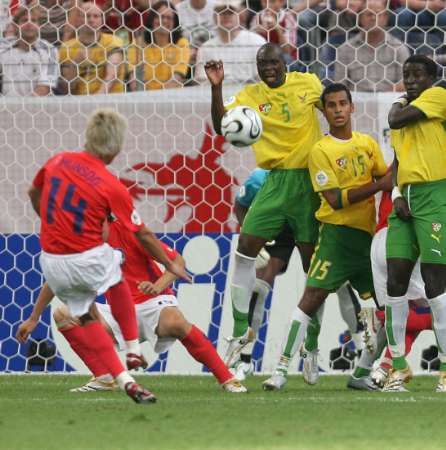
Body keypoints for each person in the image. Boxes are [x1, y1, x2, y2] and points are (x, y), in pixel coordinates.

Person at [21, 108, 190, 403]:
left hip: (51, 261)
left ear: (87, 137)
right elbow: (143, 235)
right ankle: (134, 349)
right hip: (85, 257)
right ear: (115, 150)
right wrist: (169, 265)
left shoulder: (57, 161)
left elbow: (33, 193)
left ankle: (122, 379)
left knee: (87, 316)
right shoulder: (111, 184)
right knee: (116, 272)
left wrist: (47, 220)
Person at [263, 83, 390, 391]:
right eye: (331, 105)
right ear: (325, 111)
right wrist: (381, 183)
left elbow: (388, 180)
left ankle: (361, 373)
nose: (337, 110)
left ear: (352, 107)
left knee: (391, 307)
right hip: (334, 238)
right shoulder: (320, 150)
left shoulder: (368, 144)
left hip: (366, 242)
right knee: (311, 298)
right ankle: (280, 370)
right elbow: (335, 199)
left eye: (342, 103)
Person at [205, 43, 324, 368]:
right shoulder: (250, 95)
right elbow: (221, 126)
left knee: (313, 266)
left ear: (284, 62)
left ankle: (311, 346)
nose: (268, 68)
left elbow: (334, 112)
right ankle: (240, 331)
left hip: (308, 182)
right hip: (274, 181)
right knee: (244, 247)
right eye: (262, 64)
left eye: (273, 62)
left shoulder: (308, 83)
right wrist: (216, 88)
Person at [38, 217, 246, 393]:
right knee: (64, 314)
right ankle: (104, 377)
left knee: (176, 323)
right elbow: (56, 278)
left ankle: (227, 378)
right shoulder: (82, 244)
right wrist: (32, 318)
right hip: (119, 313)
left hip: (154, 303)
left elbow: (177, 263)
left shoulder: (131, 232)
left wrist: (157, 287)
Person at [231, 167, 366, 383]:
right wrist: (251, 234)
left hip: (309, 225)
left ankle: (347, 351)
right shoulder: (261, 177)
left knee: (333, 284)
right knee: (259, 283)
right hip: (277, 229)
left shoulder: (315, 171)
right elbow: (240, 205)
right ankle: (244, 360)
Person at [384, 54, 446, 392]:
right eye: (406, 74)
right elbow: (397, 159)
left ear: (432, 77)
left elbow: (395, 119)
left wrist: (398, 99)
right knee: (395, 281)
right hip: (405, 198)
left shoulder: (438, 97)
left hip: (436, 195)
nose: (410, 80)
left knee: (436, 283)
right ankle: (398, 366)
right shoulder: (411, 106)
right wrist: (395, 193)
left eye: (417, 74)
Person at [347, 191, 432, 391]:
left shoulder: (394, 170)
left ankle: (369, 371)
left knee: (402, 312)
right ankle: (378, 321)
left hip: (380, 238)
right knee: (428, 309)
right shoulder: (425, 169)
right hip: (402, 239)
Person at [333, 0, 410, 92]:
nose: (373, 18)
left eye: (378, 14)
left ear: (385, 18)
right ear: (360, 18)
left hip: (390, 102)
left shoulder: (398, 48)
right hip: (356, 103)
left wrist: (383, 98)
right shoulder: (345, 49)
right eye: (369, 14)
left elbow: (405, 83)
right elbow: (340, 85)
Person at [58, 1, 126, 95]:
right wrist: (75, 64)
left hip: (110, 101)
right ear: (77, 20)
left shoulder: (113, 41)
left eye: (96, 16)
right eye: (87, 16)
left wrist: (95, 100)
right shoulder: (67, 47)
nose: (91, 19)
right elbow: (67, 89)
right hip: (79, 104)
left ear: (102, 20)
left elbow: (111, 76)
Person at [194, 0, 266, 84]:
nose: (226, 16)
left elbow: (262, 79)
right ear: (214, 18)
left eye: (230, 12)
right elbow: (202, 83)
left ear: (239, 16)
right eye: (221, 13)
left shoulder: (256, 41)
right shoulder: (206, 48)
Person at [127, 1, 190, 91]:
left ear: (175, 22)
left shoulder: (181, 43)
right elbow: (133, 78)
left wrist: (158, 98)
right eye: (159, 17)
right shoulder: (138, 43)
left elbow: (177, 77)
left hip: (171, 96)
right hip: (143, 96)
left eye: (169, 18)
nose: (164, 21)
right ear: (151, 20)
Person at [0, 6, 59, 96]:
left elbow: (45, 87)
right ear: (16, 26)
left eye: (34, 20)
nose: (29, 23)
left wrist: (23, 108)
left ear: (39, 26)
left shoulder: (50, 50)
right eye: (24, 20)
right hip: (6, 106)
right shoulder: (3, 47)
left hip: (38, 107)